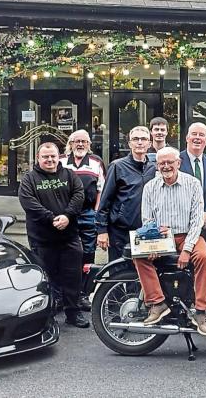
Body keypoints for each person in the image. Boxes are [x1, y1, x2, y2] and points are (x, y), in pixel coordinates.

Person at [134, 147, 206, 336]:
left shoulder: (193, 184)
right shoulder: (150, 187)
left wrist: (187, 249)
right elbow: (147, 220)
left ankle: (202, 311)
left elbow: (196, 221)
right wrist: (151, 243)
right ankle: (157, 303)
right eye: (162, 163)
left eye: (170, 162)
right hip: (162, 236)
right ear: (157, 165)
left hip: (189, 234)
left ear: (179, 163)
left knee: (203, 257)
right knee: (140, 256)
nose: (166, 166)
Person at [18, 142, 88, 328]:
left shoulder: (70, 175)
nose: (49, 160)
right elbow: (29, 203)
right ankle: (46, 316)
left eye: (53, 156)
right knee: (46, 279)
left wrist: (67, 215)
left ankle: (73, 313)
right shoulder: (29, 179)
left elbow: (79, 195)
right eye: (45, 157)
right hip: (42, 240)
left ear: (59, 157)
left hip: (70, 238)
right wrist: (52, 218)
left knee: (73, 277)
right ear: (38, 158)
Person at [96, 126, 157, 261]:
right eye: (135, 139)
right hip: (120, 231)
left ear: (149, 143)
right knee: (119, 274)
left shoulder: (154, 168)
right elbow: (105, 200)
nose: (139, 142)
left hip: (146, 231)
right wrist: (102, 231)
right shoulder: (117, 166)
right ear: (129, 143)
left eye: (143, 139)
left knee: (143, 276)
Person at [61, 129, 105, 311]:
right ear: (70, 144)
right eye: (76, 141)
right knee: (66, 254)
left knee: (87, 254)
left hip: (88, 214)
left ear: (89, 145)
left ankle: (83, 294)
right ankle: (63, 294)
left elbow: (101, 190)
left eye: (84, 142)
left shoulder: (96, 162)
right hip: (66, 215)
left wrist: (97, 213)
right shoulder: (62, 161)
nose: (80, 145)